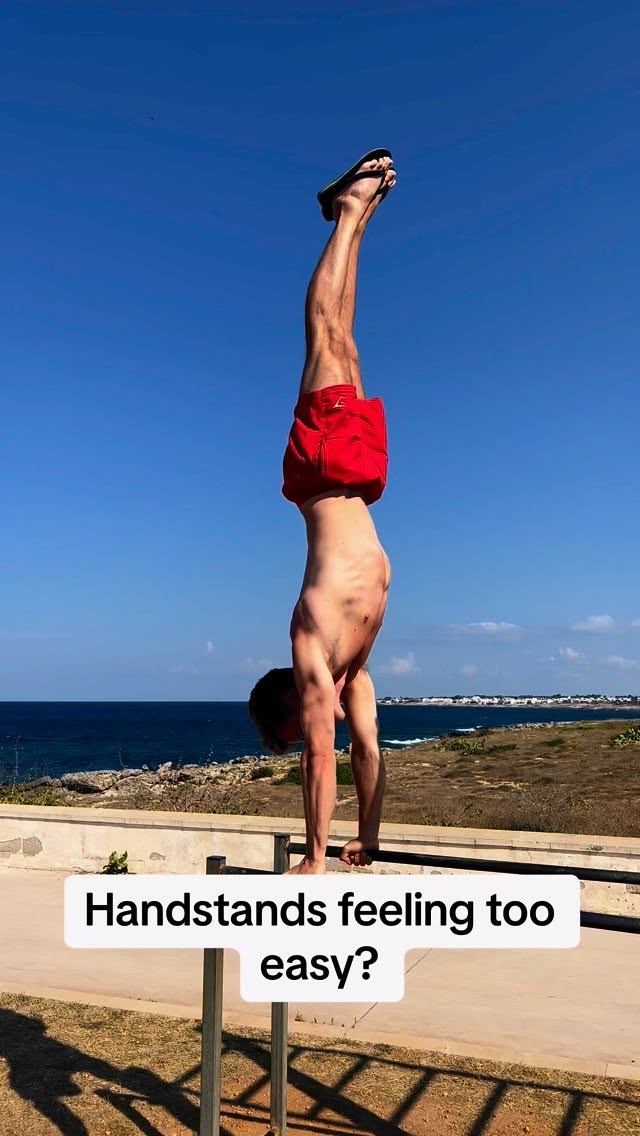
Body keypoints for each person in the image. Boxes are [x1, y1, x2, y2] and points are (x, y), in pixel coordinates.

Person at [249, 149, 397, 874]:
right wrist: (366, 838)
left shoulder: (312, 646)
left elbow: (321, 754)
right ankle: (358, 217)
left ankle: (349, 209)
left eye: (285, 729)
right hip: (358, 477)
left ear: (290, 703)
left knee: (321, 329)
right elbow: (365, 748)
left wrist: (313, 857)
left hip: (325, 470)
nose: (308, 726)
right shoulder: (354, 669)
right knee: (346, 338)